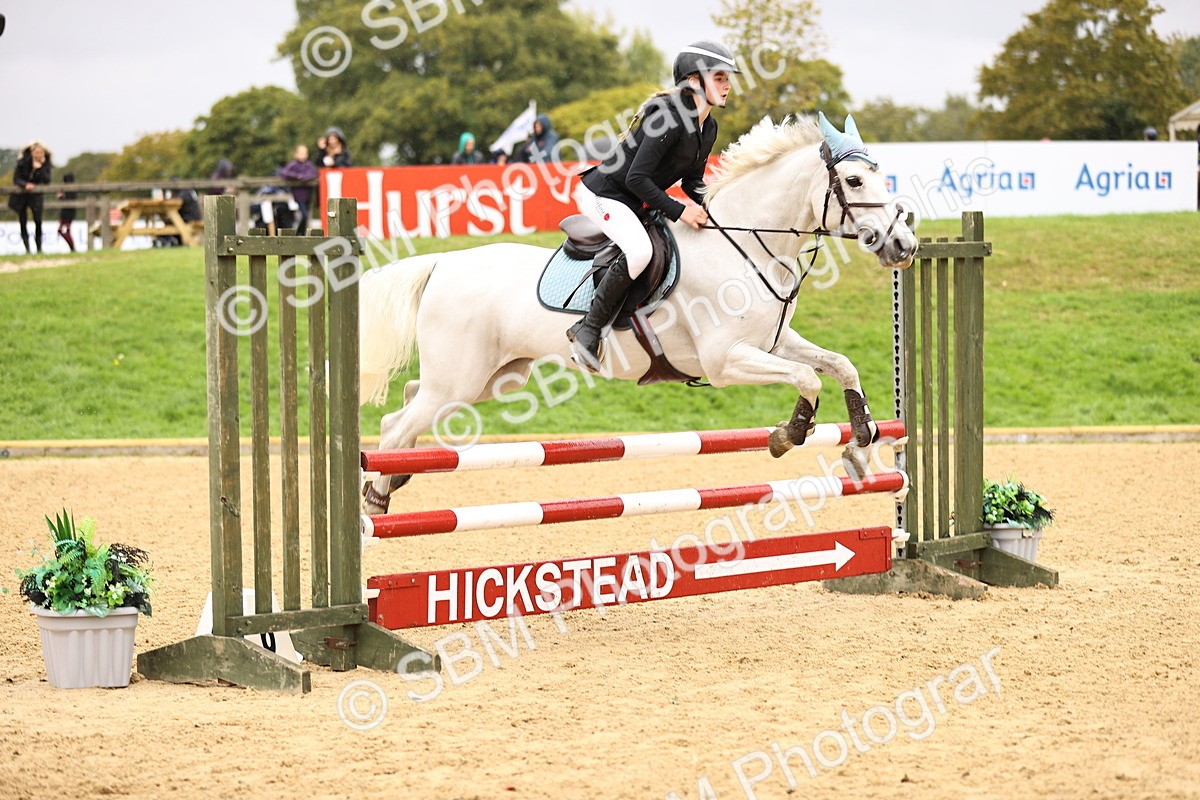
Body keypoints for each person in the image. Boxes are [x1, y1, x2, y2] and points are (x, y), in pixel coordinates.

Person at [565, 41, 738, 373]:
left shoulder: (709, 127)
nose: (727, 85)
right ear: (693, 81)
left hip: (636, 198)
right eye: (719, 78)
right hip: (604, 194)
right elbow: (636, 178)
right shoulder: (668, 119)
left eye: (727, 78)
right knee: (640, 251)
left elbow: (692, 182)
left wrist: (717, 210)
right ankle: (588, 329)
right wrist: (680, 211)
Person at [8, 141, 52, 254]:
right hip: (22, 196)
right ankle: (27, 249)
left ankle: (39, 249)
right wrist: (25, 185)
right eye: (37, 152)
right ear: (32, 152)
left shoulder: (45, 165)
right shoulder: (22, 163)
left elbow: (47, 181)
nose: (39, 155)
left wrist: (40, 168)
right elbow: (16, 179)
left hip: (36, 196)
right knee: (23, 221)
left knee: (38, 221)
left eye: (41, 152)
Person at [277, 144, 319, 232]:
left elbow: (313, 174)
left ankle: (301, 232)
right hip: (297, 195)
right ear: (296, 154)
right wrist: (296, 176)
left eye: (304, 153)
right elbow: (283, 173)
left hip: (308, 195)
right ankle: (298, 232)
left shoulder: (309, 165)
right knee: (304, 215)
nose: (302, 155)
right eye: (300, 153)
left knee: (306, 216)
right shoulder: (293, 165)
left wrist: (304, 177)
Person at [56, 172, 77, 252]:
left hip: (66, 213)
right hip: (69, 213)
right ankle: (72, 248)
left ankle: (72, 248)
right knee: (65, 231)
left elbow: (68, 200)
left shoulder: (69, 189)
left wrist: (60, 197)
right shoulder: (73, 188)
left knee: (63, 230)